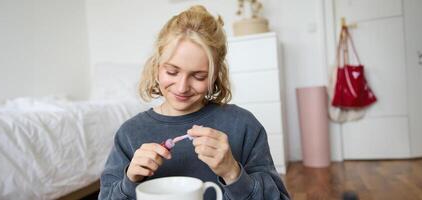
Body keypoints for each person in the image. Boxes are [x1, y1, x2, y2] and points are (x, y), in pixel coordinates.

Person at [98, 5, 290, 200]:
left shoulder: (243, 126)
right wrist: (129, 182)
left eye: (198, 76)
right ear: (156, 67)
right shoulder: (129, 134)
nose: (182, 87)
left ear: (215, 76)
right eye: (172, 72)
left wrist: (232, 173)